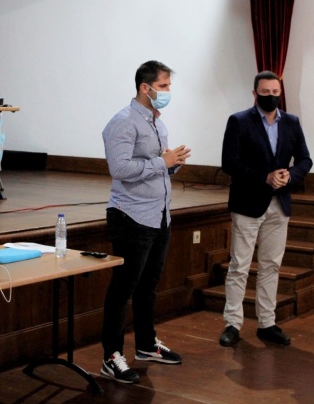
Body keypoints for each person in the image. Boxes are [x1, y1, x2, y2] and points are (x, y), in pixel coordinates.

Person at [100, 60, 192, 384]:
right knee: (123, 288)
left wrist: (173, 164)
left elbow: (157, 167)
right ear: (145, 87)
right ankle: (111, 355)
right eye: (163, 86)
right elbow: (120, 169)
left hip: (159, 213)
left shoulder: (157, 123)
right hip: (131, 215)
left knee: (148, 285)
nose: (168, 92)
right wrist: (161, 162)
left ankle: (146, 344)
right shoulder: (123, 122)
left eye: (168, 86)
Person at [218, 71, 312, 347]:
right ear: (254, 94)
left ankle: (267, 323)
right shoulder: (239, 121)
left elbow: (305, 160)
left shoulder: (292, 122)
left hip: (279, 204)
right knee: (239, 266)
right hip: (247, 203)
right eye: (265, 92)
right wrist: (264, 177)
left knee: (271, 265)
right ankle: (232, 324)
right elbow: (229, 163)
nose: (271, 96)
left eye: (275, 92)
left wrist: (290, 176)